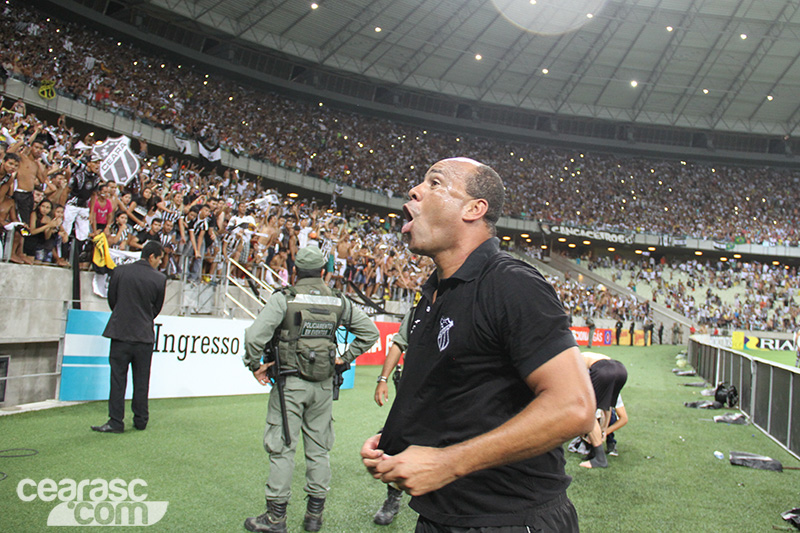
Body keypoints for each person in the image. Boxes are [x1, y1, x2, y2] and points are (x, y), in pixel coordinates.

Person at [361, 158, 595, 532]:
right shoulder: (435, 294)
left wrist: (446, 463)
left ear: (474, 209)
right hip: (441, 516)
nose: (415, 190)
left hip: (509, 520)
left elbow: (575, 407)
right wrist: (396, 443)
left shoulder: (510, 283)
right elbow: (464, 395)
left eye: (434, 183)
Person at [243, 246, 379, 533]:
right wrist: (346, 358)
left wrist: (254, 364)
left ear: (295, 271)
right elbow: (370, 333)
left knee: (282, 449)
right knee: (319, 451)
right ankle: (314, 516)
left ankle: (275, 518)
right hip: (323, 386)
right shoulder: (338, 300)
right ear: (322, 272)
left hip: (289, 385)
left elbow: (254, 337)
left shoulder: (285, 298)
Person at [91, 241, 166, 433]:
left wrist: (123, 315)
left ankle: (116, 422)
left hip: (120, 334)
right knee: (142, 380)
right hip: (144, 337)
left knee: (118, 379)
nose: (160, 262)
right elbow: (156, 309)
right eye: (159, 258)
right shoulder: (159, 279)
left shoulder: (120, 271)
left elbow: (112, 300)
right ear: (152, 257)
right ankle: (141, 420)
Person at [372, 310, 412, 526]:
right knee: (397, 441)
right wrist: (383, 378)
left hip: (450, 391)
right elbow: (399, 343)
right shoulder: (417, 311)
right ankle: (393, 500)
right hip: (413, 388)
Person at [578, 351, 628, 469]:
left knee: (587, 413)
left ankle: (600, 459)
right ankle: (596, 451)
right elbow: (607, 407)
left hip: (603, 370)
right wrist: (604, 430)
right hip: (621, 369)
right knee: (603, 406)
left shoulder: (575, 363)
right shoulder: (584, 357)